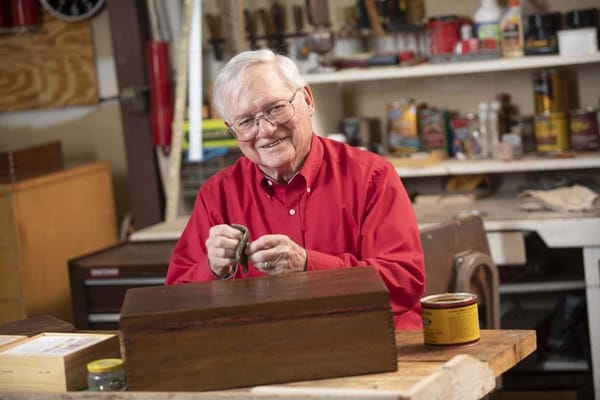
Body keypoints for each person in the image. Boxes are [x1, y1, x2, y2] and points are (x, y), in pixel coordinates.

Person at [166, 49, 425, 330]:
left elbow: (404, 284)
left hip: (369, 344)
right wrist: (213, 269)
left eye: (275, 108)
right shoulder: (218, 195)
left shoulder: (371, 176)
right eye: (246, 121)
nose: (265, 129)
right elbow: (177, 304)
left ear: (307, 100)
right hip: (266, 354)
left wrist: (307, 265)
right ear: (233, 131)